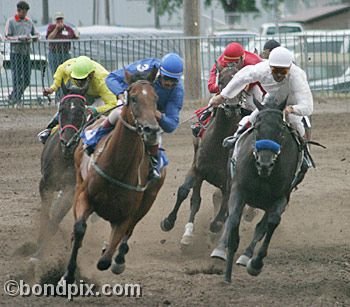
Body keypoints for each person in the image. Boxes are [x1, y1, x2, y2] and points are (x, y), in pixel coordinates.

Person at [209, 46, 313, 183]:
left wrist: (291, 110)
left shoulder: (297, 76)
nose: (280, 75)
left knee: (297, 125)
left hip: (291, 104)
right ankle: (235, 141)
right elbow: (240, 78)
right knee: (251, 118)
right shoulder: (261, 69)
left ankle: (304, 156)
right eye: (276, 70)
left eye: (284, 71)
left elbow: (308, 106)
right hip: (271, 101)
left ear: (290, 68)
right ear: (270, 67)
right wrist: (222, 96)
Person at [83, 52, 184, 180]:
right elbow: (111, 78)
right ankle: (94, 138)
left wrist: (156, 114)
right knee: (117, 112)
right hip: (132, 104)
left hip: (150, 118)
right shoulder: (148, 67)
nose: (169, 84)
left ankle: (154, 164)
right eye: (166, 79)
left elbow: (171, 125)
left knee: (155, 136)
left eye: (173, 81)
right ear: (160, 72)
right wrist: (121, 94)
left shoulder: (177, 92)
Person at [37, 55, 117, 144]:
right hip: (84, 93)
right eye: (76, 79)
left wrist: (95, 110)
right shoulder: (70, 67)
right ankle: (50, 129)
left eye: (82, 79)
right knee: (67, 106)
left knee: (90, 116)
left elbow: (113, 104)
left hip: (99, 97)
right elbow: (60, 70)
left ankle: (96, 136)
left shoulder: (103, 81)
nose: (79, 82)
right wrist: (53, 88)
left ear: (91, 75)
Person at [191, 42, 263, 137]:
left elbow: (264, 84)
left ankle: (261, 125)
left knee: (257, 96)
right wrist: (223, 89)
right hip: (227, 86)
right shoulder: (221, 62)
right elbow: (212, 86)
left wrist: (246, 86)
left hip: (250, 85)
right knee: (212, 101)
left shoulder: (255, 62)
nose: (232, 65)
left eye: (235, 63)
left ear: (242, 59)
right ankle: (202, 123)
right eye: (229, 63)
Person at [4, 1, 39, 106]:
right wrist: (19, 39)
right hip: (15, 53)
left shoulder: (29, 22)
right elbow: (7, 37)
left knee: (27, 78)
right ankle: (16, 99)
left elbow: (36, 34)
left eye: (26, 12)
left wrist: (32, 38)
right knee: (17, 77)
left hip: (26, 53)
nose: (24, 14)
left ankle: (14, 96)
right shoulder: (11, 21)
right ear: (18, 11)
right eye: (23, 12)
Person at [46, 11, 79, 102]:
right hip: (54, 54)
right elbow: (49, 38)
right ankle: (58, 98)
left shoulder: (68, 29)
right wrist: (56, 29)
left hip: (65, 54)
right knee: (57, 77)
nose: (59, 21)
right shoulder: (51, 27)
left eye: (61, 19)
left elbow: (74, 36)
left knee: (67, 77)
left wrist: (77, 35)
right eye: (57, 20)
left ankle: (65, 97)